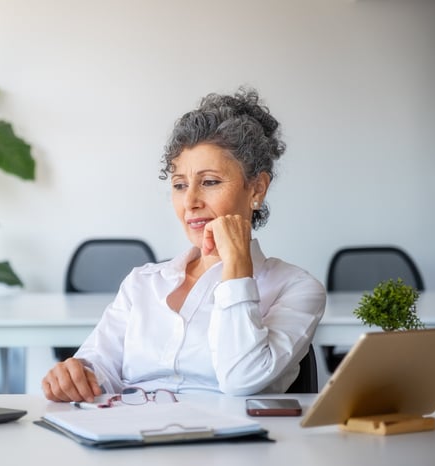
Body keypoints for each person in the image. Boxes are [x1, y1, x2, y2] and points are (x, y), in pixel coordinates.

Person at [42, 87, 326, 402]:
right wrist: (75, 375)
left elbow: (243, 379)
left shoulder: (296, 288)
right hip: (132, 439)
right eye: (179, 185)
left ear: (257, 188)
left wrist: (237, 268)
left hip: (232, 446)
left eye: (210, 182)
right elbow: (99, 366)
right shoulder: (144, 282)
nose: (190, 201)